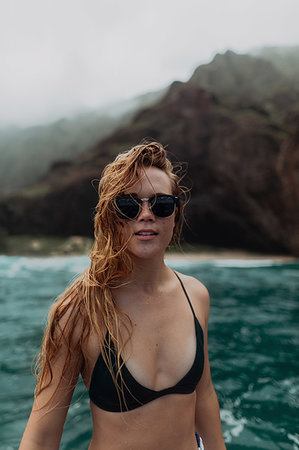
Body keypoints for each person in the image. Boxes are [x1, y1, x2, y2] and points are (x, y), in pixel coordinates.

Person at [19, 141, 226, 450]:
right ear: (110, 216)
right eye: (128, 206)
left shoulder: (196, 295)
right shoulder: (80, 310)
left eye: (161, 204)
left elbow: (204, 395)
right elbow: (42, 437)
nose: (145, 215)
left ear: (175, 214)